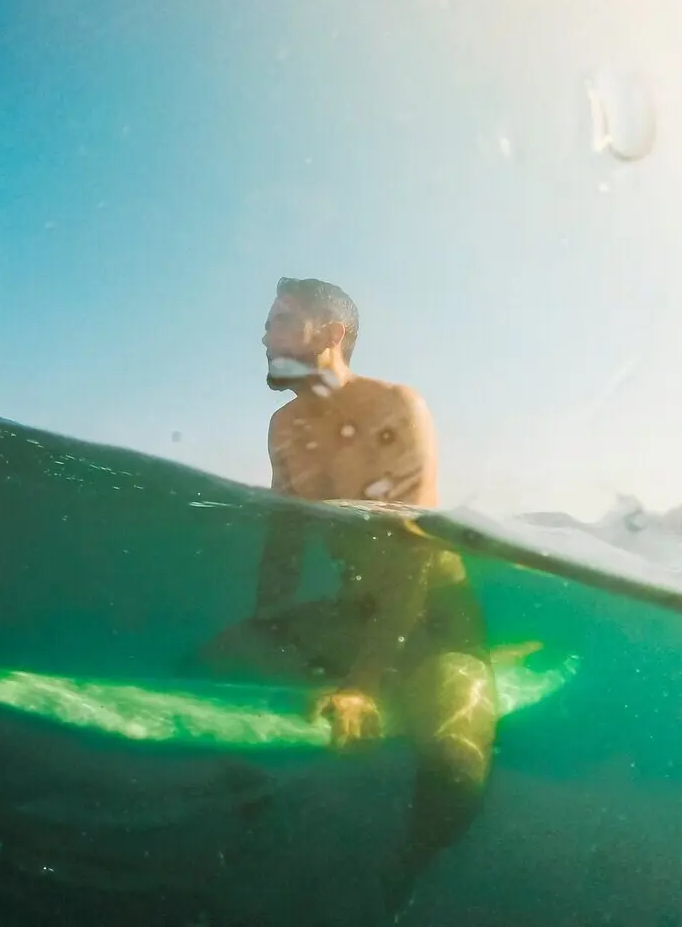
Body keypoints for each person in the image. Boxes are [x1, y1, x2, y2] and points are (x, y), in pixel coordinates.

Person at [195, 277, 499, 921]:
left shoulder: (396, 406)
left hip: (435, 620)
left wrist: (362, 683)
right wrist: (264, 631)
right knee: (210, 669)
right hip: (355, 613)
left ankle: (401, 878)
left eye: (281, 320)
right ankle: (253, 812)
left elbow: (416, 551)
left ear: (331, 335)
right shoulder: (284, 426)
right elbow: (283, 539)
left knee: (453, 771)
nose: (264, 333)